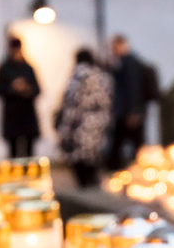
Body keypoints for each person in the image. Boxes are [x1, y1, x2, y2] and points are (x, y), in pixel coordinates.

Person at [57, 48, 112, 188]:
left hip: (82, 120)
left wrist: (65, 126)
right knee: (93, 152)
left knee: (79, 154)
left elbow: (71, 99)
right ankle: (93, 182)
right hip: (99, 119)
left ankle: (85, 186)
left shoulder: (80, 74)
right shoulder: (101, 74)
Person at [108, 34, 152, 170]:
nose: (113, 50)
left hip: (129, 112)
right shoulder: (125, 62)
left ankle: (135, 170)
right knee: (124, 143)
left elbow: (133, 88)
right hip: (127, 111)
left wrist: (134, 111)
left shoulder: (129, 63)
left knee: (129, 143)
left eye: (115, 47)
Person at [0, 36, 41, 158]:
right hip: (12, 116)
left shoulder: (28, 67)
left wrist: (27, 89)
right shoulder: (4, 68)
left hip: (27, 114)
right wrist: (12, 88)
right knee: (13, 153)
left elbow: (38, 89)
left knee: (30, 154)